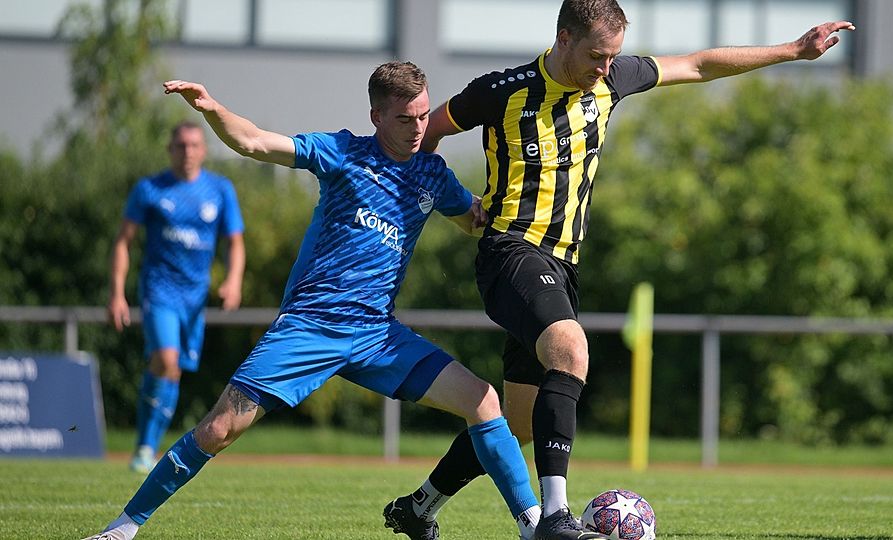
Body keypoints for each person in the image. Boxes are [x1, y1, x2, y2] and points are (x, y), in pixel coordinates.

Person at [385, 1, 856, 539]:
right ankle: (555, 519)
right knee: (572, 349)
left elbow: (699, 64)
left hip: (562, 265)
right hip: (510, 253)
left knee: (516, 421)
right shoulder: (501, 90)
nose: (604, 68)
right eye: (594, 56)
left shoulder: (615, 77)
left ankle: (419, 507)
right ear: (562, 38)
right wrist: (454, 204)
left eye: (611, 57)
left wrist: (795, 50)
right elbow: (429, 132)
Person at [83, 61, 546, 540]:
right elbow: (255, 141)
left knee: (484, 401)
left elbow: (477, 218)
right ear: (377, 117)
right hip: (311, 325)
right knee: (219, 429)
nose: (419, 129)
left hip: (377, 336)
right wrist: (212, 108)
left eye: (425, 116)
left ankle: (533, 527)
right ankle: (122, 529)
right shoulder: (343, 153)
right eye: (406, 119)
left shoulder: (432, 174)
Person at [107, 121, 246, 474]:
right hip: (159, 290)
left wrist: (233, 280)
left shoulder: (219, 190)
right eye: (180, 145)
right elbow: (124, 240)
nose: (187, 152)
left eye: (194, 145)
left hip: (194, 300)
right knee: (166, 360)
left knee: (173, 371)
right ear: (170, 149)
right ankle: (145, 447)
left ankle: (149, 445)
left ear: (203, 150)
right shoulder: (150, 190)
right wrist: (117, 293)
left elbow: (235, 242)